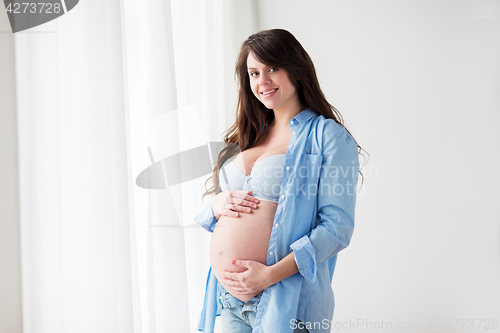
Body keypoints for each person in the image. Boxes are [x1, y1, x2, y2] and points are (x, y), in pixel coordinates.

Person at [194, 29, 364, 333]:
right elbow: (222, 214)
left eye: (273, 68)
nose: (263, 81)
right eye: (254, 73)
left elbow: (337, 229)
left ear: (295, 68)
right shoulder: (248, 136)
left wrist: (269, 275)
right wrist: (216, 205)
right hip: (228, 300)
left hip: (285, 298)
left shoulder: (328, 137)